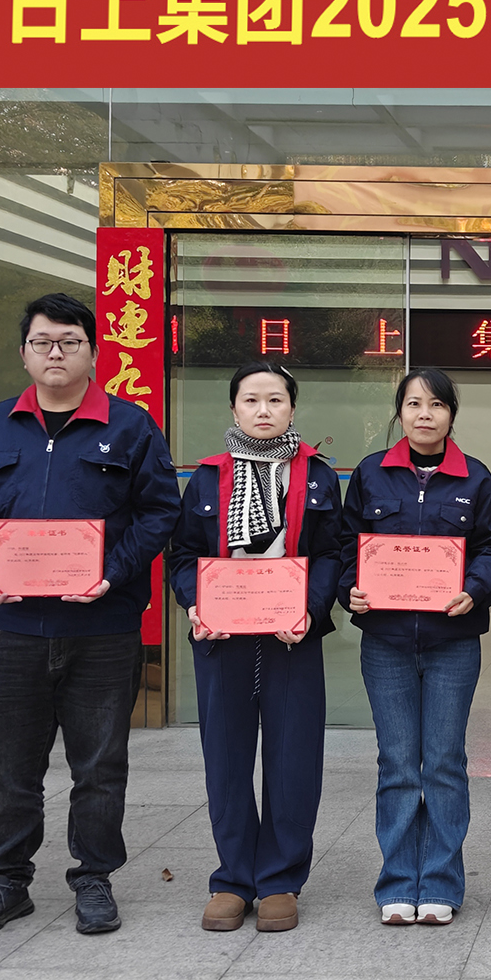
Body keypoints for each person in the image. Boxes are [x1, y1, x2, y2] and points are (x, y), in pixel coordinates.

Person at [0, 292, 180, 937]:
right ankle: (6, 881)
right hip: (14, 627)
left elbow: (160, 511)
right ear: (24, 352)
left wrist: (112, 572)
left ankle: (94, 878)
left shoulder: (130, 427)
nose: (56, 353)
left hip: (102, 628)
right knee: (8, 768)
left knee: (99, 767)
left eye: (70, 342)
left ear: (93, 352)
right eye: (43, 342)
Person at [169, 360, 341, 934]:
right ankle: (233, 878)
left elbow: (333, 553)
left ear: (292, 408)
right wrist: (195, 604)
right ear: (234, 408)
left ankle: (280, 879)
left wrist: (310, 609)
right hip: (223, 640)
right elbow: (183, 554)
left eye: (275, 400)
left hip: (293, 638)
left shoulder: (317, 476)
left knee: (294, 759)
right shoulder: (207, 476)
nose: (263, 410)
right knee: (226, 759)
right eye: (251, 400)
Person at [339, 368, 491, 927]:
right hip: (385, 641)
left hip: (451, 642)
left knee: (443, 762)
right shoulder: (371, 473)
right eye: (414, 404)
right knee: (396, 763)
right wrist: (349, 589)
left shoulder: (475, 478)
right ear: (400, 412)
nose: (425, 414)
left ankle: (439, 882)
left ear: (451, 414)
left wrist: (474, 588)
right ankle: (396, 882)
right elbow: (344, 545)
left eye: (436, 404)